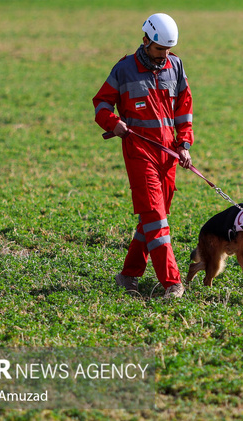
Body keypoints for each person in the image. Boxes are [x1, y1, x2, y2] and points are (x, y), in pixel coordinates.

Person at [93, 13, 193, 299]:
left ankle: (128, 275)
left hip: (169, 155)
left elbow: (184, 107)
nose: (165, 55)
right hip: (139, 153)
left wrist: (184, 144)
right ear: (146, 40)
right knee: (156, 219)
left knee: (151, 220)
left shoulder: (175, 65)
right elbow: (101, 104)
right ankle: (172, 283)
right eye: (160, 49)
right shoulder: (124, 69)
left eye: (169, 49)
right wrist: (114, 123)